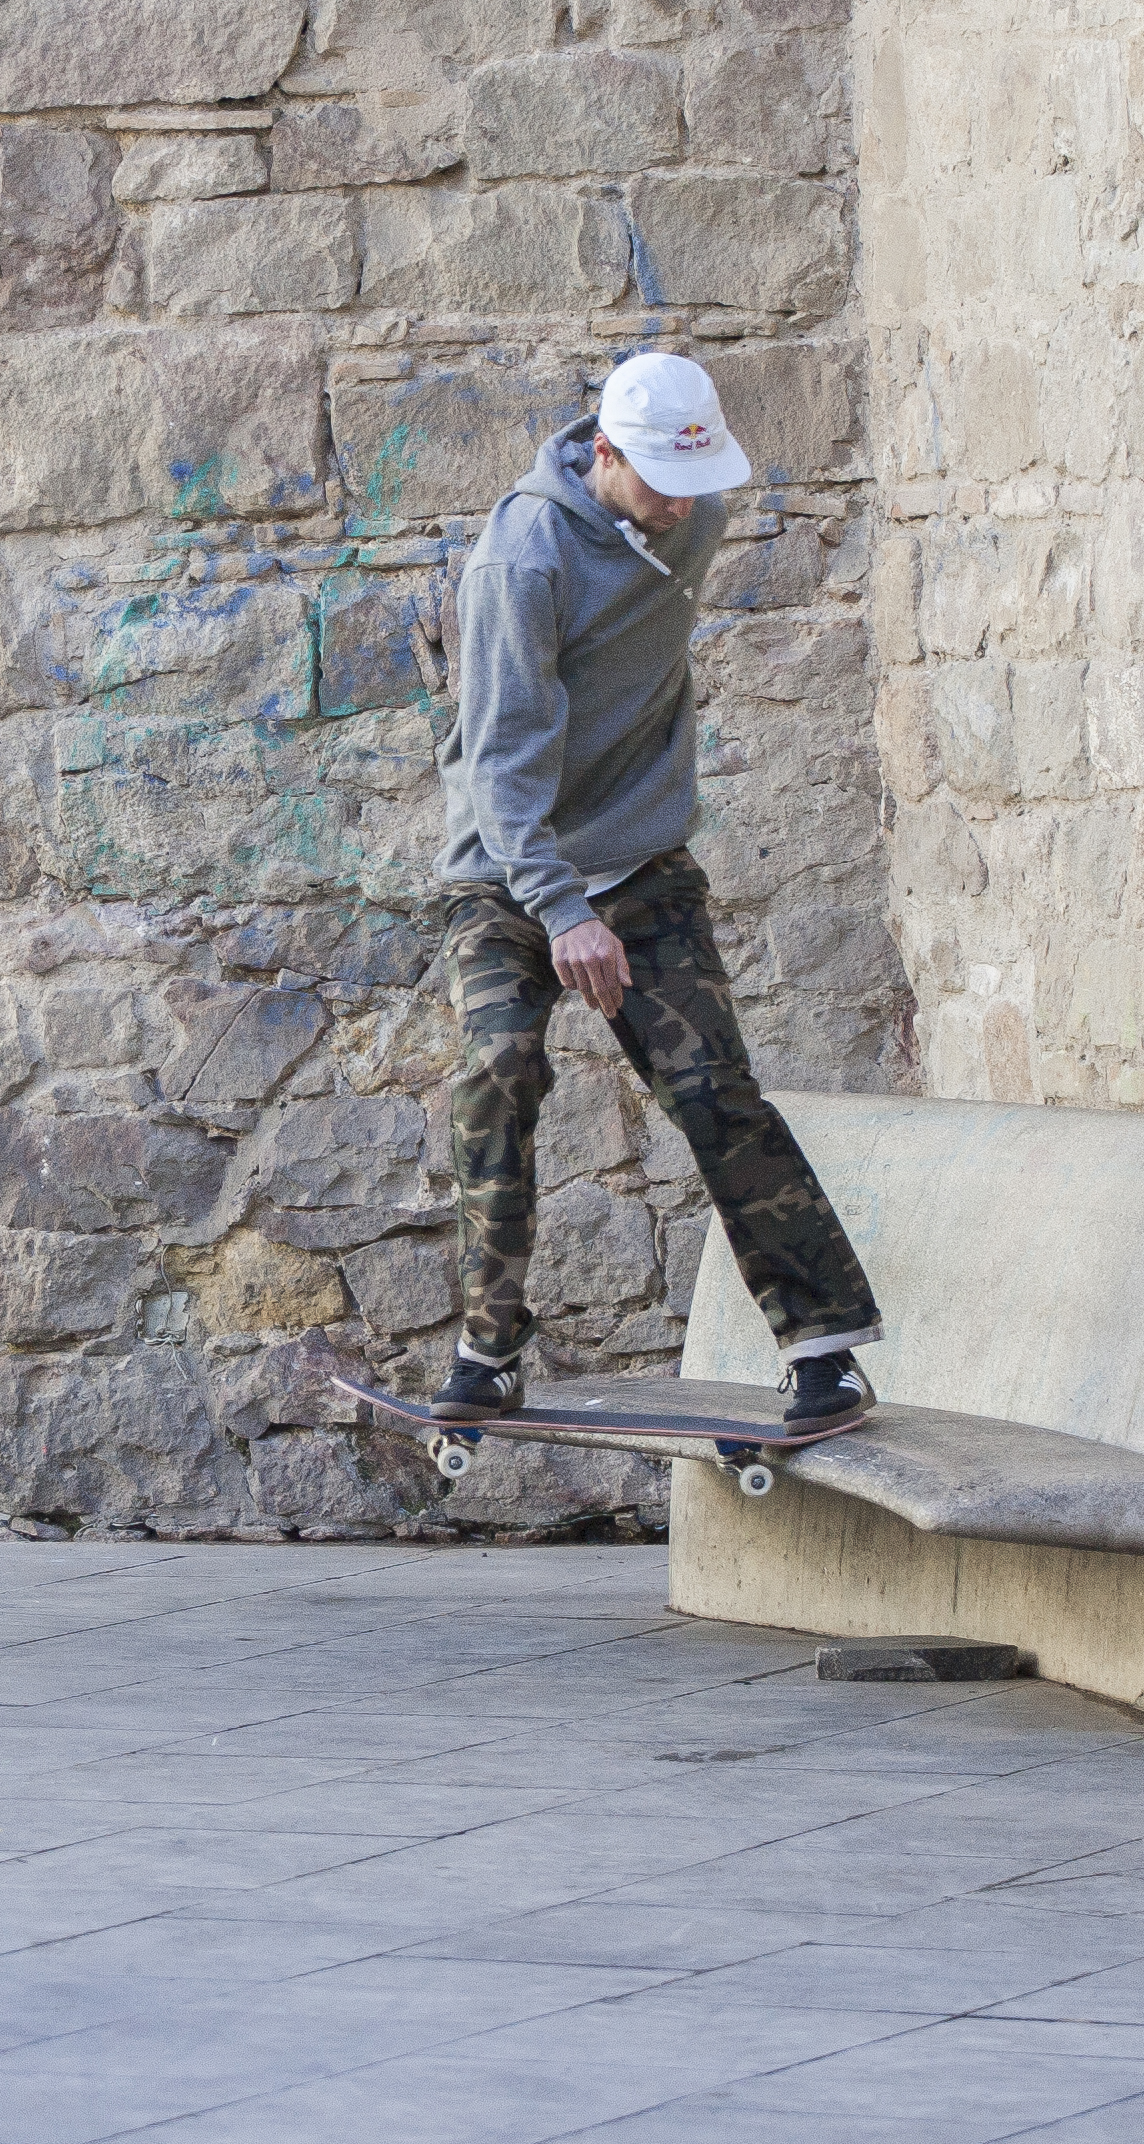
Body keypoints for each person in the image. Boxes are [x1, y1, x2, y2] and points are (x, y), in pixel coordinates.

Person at [421, 350, 884, 1425]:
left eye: (698, 479)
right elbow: (500, 761)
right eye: (659, 482)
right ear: (603, 451)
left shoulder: (698, 511)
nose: (682, 504)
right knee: (497, 1067)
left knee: (714, 1087)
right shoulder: (522, 561)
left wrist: (620, 858)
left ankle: (826, 1348)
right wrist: (561, 905)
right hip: (506, 868)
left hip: (639, 858)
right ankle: (490, 1345)